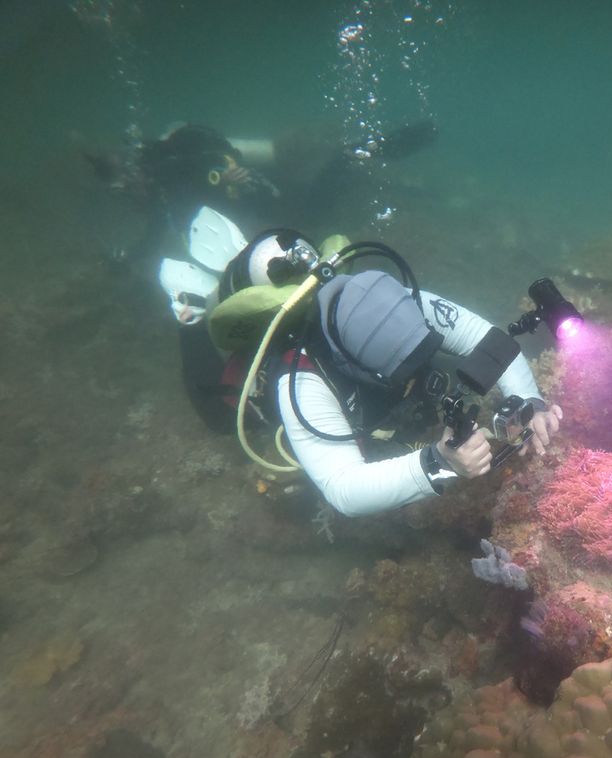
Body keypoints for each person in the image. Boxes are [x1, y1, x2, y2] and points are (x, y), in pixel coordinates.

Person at [159, 207, 563, 517]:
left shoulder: (401, 299)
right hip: (263, 390)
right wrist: (439, 463)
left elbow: (486, 338)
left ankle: (250, 267)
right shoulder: (299, 381)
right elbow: (342, 489)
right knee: (219, 415)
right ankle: (190, 314)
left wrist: (528, 402)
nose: (415, 383)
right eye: (402, 376)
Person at [87, 120, 438, 257]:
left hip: (272, 201)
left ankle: (393, 143)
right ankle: (384, 152)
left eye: (123, 184)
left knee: (327, 189)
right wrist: (133, 256)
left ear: (130, 170)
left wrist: (223, 169)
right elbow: (161, 222)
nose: (127, 191)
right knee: (325, 190)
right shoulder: (161, 179)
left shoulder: (169, 169)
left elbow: (206, 152)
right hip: (265, 204)